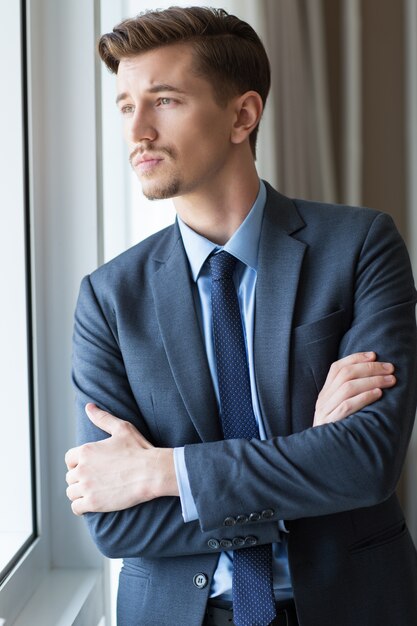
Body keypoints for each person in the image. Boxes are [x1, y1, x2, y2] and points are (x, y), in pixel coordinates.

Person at [65, 7, 417, 626]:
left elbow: (365, 463)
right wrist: (306, 464)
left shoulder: (361, 246)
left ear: (243, 115)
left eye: (164, 100)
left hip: (352, 605)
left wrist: (161, 470)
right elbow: (112, 517)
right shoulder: (107, 298)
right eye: (125, 106)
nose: (137, 131)